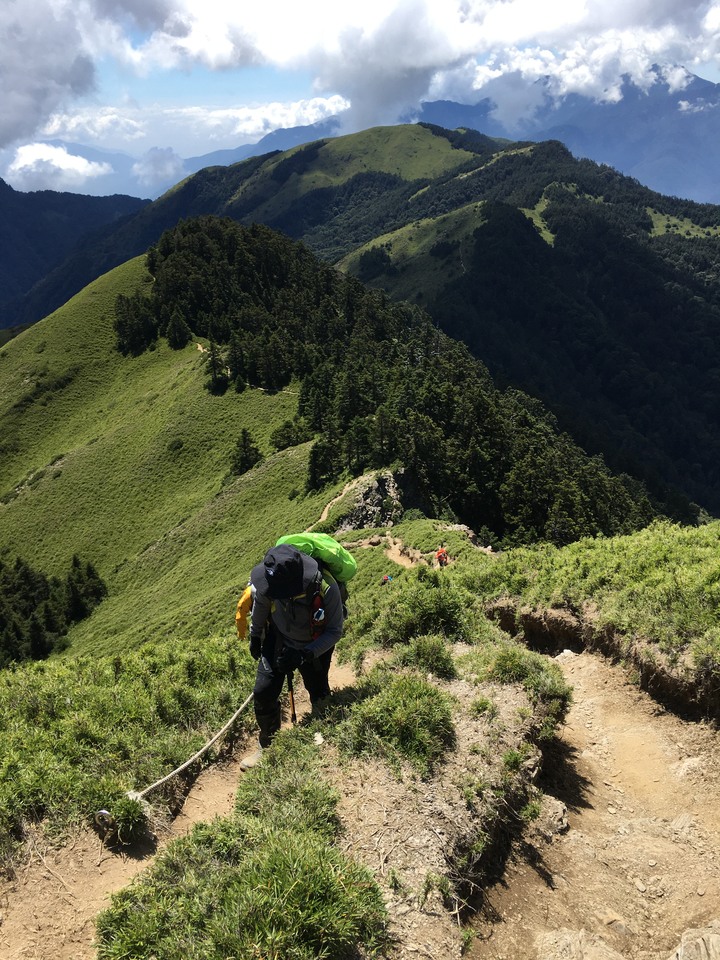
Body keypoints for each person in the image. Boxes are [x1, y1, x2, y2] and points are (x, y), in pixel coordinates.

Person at [239, 543, 345, 770]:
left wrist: (304, 654)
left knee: (319, 693)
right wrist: (256, 636)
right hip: (277, 639)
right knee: (263, 692)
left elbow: (335, 631)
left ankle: (320, 734)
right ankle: (267, 745)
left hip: (313, 645)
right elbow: (261, 603)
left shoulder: (326, 588)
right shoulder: (272, 582)